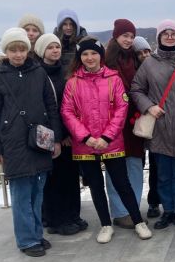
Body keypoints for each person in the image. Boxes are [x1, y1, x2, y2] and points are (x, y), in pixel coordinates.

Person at [61, 37, 152, 243]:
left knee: (122, 182)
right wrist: (85, 137)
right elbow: (67, 112)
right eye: (85, 54)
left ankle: (138, 221)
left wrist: (105, 136)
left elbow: (121, 108)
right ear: (80, 57)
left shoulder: (114, 79)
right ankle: (105, 224)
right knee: (96, 185)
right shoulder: (72, 83)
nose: (90, 57)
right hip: (85, 144)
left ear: (101, 56)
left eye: (93, 53)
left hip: (111, 142)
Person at [0, 28, 62, 257]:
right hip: (14, 143)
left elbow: (51, 107)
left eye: (21, 49)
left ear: (27, 51)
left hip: (39, 140)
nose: (18, 54)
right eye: (13, 50)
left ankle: (37, 234)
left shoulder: (39, 73)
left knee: (37, 192)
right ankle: (27, 240)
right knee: (21, 194)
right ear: (6, 51)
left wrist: (56, 139)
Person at [131, 20, 175, 230]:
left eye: (174, 34)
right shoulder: (149, 64)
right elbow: (136, 89)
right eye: (166, 34)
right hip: (160, 128)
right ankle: (168, 211)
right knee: (163, 174)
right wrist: (149, 107)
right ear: (159, 37)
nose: (170, 37)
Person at [35, 33, 85, 236]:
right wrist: (59, 135)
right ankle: (56, 220)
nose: (55, 50)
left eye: (57, 47)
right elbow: (45, 109)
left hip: (68, 135)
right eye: (50, 48)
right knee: (54, 181)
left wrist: (70, 132)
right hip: (52, 137)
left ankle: (72, 215)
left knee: (70, 177)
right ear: (41, 51)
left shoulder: (64, 72)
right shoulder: (39, 74)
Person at [103, 19, 145, 230]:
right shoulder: (106, 60)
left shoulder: (135, 59)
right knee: (115, 167)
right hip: (113, 122)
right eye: (124, 36)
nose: (128, 40)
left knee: (135, 165)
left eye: (131, 36)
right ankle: (120, 212)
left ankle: (134, 208)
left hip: (134, 120)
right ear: (116, 36)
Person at [131, 35, 161, 218]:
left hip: (154, 121)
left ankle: (154, 201)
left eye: (146, 51)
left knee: (156, 165)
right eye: (139, 52)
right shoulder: (131, 72)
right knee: (138, 165)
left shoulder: (156, 68)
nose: (144, 55)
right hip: (134, 123)